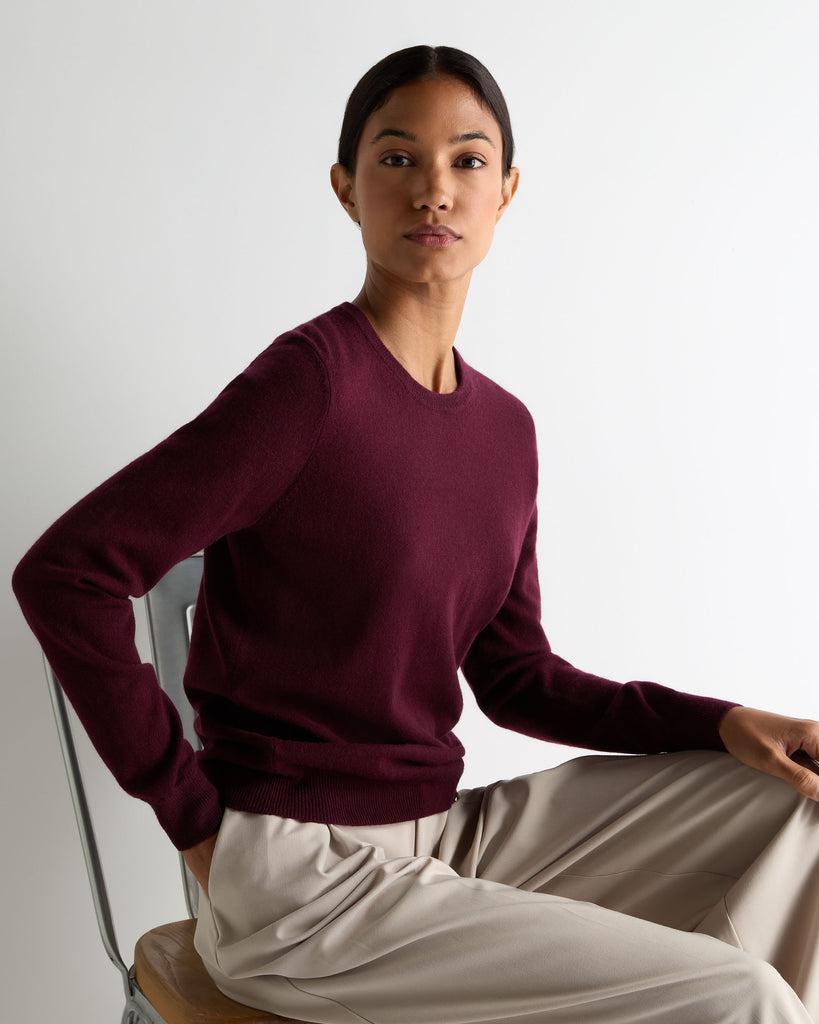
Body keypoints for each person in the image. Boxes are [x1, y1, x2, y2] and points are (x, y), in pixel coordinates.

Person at [13, 44, 819, 1024]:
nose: (434, 188)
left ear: (506, 191)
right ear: (346, 187)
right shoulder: (309, 385)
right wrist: (191, 818)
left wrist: (721, 722)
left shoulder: (506, 431)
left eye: (466, 160)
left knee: (801, 805)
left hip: (444, 842)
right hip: (299, 888)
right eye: (397, 158)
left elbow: (518, 677)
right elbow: (68, 574)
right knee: (738, 997)